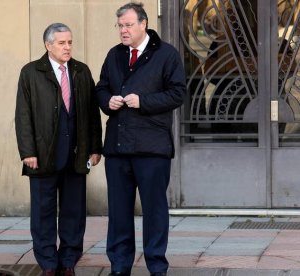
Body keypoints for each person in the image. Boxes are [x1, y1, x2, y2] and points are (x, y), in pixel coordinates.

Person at [96, 2, 186, 276]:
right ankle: (119, 267)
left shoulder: (167, 55)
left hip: (152, 148)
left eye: (128, 25)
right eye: (120, 26)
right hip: (118, 148)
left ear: (143, 24)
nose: (123, 30)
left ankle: (157, 267)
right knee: (119, 214)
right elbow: (101, 87)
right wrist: (107, 100)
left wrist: (143, 101)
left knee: (154, 212)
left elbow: (178, 93)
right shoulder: (114, 55)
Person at [15, 23, 102, 276]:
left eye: (70, 43)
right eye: (62, 43)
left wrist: (95, 147)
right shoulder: (31, 72)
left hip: (77, 154)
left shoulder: (81, 71)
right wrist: (27, 151)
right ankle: (48, 264)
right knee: (43, 213)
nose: (67, 47)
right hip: (42, 155)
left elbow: (91, 113)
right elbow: (23, 115)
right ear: (48, 45)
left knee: (73, 213)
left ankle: (68, 262)